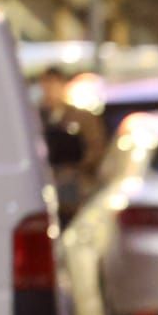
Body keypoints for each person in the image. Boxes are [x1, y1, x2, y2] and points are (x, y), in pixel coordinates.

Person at [36, 66, 104, 224]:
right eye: (47, 84)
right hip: (43, 181)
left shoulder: (82, 117)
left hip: (72, 182)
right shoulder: (35, 117)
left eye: (54, 84)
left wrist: (75, 167)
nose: (51, 90)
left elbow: (96, 149)